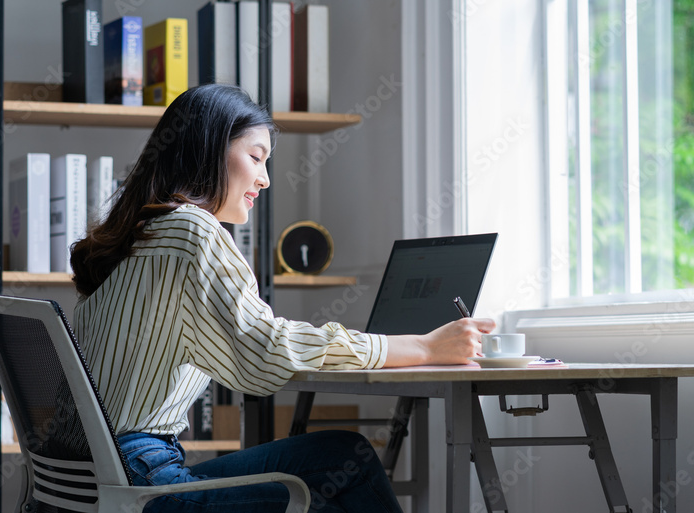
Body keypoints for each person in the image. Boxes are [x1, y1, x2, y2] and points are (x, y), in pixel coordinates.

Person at [69, 84, 495, 512]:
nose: (265, 178)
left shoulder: (135, 238)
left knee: (349, 456)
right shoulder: (192, 230)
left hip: (98, 473)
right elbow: (262, 354)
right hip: (143, 479)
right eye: (255, 157)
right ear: (208, 149)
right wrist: (421, 346)